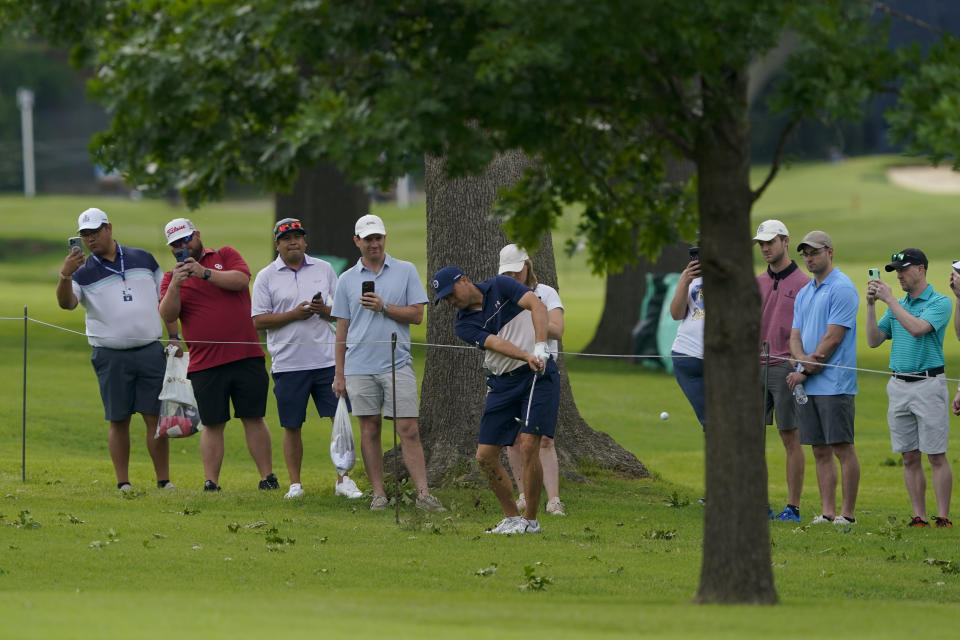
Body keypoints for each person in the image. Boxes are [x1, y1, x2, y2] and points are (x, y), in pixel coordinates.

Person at [56, 207, 180, 492]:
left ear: (109, 228)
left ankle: (164, 480)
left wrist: (174, 335)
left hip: (150, 349)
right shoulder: (81, 272)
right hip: (110, 354)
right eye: (85, 235)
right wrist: (64, 276)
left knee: (154, 417)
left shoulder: (143, 258)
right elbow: (67, 304)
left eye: (95, 232)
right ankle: (123, 482)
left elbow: (166, 297)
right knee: (118, 418)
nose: (90, 239)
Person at [331, 214, 444, 512]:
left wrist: (384, 307)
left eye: (378, 238)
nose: (374, 244)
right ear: (357, 241)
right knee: (370, 428)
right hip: (358, 365)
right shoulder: (346, 280)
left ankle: (423, 494)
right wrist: (338, 374)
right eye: (368, 239)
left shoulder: (405, 271)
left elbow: (417, 315)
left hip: (397, 362)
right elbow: (341, 329)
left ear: (385, 239)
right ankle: (379, 494)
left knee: (408, 428)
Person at [432, 265, 556, 535]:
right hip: (503, 382)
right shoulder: (463, 324)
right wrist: (525, 356)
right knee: (485, 456)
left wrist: (539, 347)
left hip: (538, 375)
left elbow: (537, 306)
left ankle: (531, 521)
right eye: (447, 300)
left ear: (464, 279)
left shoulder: (501, 285)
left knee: (528, 446)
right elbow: (495, 343)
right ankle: (511, 519)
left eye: (452, 294)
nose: (452, 302)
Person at [158, 218, 277, 492]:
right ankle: (211, 482)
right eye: (176, 244)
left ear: (197, 235)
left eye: (186, 239)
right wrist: (177, 284)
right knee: (212, 423)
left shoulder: (225, 255)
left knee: (253, 417)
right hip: (205, 362)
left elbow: (241, 279)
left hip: (246, 354)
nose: (182, 246)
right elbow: (168, 314)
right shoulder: (169, 278)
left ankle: (267, 477)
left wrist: (204, 273)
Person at [251, 218, 363, 500]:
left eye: (298, 237)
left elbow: (341, 312)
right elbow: (258, 321)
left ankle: (343, 480)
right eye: (287, 238)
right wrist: (293, 315)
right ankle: (295, 484)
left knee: (338, 420)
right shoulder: (266, 276)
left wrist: (321, 309)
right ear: (277, 244)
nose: (293, 242)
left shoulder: (323, 269)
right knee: (292, 425)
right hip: (288, 364)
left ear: (305, 242)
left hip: (326, 361)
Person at [866, 248, 953, 528]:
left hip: (929, 383)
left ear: (921, 269)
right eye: (896, 271)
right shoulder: (898, 305)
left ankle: (943, 516)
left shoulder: (939, 302)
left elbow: (917, 328)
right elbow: (873, 340)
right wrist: (870, 306)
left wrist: (890, 301)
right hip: (899, 384)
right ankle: (919, 516)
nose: (900, 275)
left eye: (903, 270)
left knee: (936, 454)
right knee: (909, 455)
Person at [787, 230, 860, 525]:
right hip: (810, 382)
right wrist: (802, 362)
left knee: (842, 447)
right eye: (805, 253)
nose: (809, 258)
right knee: (819, 449)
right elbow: (794, 337)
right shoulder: (805, 292)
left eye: (814, 252)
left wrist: (804, 370)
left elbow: (832, 338)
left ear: (830, 252)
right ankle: (828, 513)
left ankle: (848, 515)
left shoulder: (842, 287)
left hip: (835, 383)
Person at [498, 244, 566, 516]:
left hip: (541, 371)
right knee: (513, 440)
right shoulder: (500, 295)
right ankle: (524, 495)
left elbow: (558, 330)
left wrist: (533, 313)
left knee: (544, 439)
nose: (513, 278)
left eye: (517, 272)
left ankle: (553, 500)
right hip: (511, 370)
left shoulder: (545, 293)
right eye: (508, 274)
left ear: (527, 266)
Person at [754, 220, 809, 523]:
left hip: (786, 368)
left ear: (786, 242)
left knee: (790, 438)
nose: (765, 248)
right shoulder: (757, 283)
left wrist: (800, 365)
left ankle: (793, 506)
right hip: (755, 368)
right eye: (761, 243)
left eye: (770, 242)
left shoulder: (803, 283)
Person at [669, 250, 704, 428]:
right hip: (687, 356)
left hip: (722, 360)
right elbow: (676, 314)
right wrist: (684, 282)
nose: (697, 260)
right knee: (711, 422)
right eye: (694, 256)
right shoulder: (690, 280)